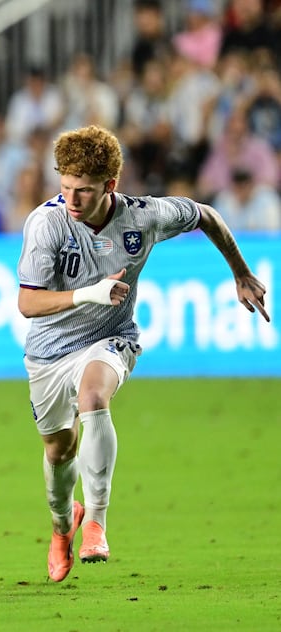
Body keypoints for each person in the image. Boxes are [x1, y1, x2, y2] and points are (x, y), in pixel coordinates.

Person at [16, 125, 270, 583]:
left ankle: (96, 523)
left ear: (110, 185)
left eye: (84, 190)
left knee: (94, 397)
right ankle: (62, 525)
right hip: (49, 352)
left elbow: (206, 215)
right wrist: (89, 293)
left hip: (111, 336)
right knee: (58, 450)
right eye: (66, 186)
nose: (72, 198)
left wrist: (241, 272)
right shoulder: (46, 223)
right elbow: (28, 303)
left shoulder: (143, 216)